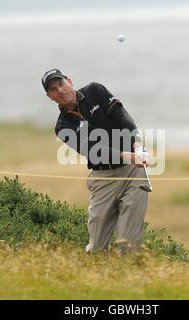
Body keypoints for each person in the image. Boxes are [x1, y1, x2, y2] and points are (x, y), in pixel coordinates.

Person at [42, 68, 151, 254]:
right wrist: (128, 155)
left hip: (133, 171)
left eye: (61, 84)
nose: (60, 90)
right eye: (53, 89)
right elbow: (93, 151)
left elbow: (122, 116)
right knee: (97, 247)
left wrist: (138, 146)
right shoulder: (62, 126)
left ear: (70, 80)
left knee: (129, 241)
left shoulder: (95, 91)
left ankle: (131, 278)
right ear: (49, 97)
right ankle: (99, 279)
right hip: (103, 177)